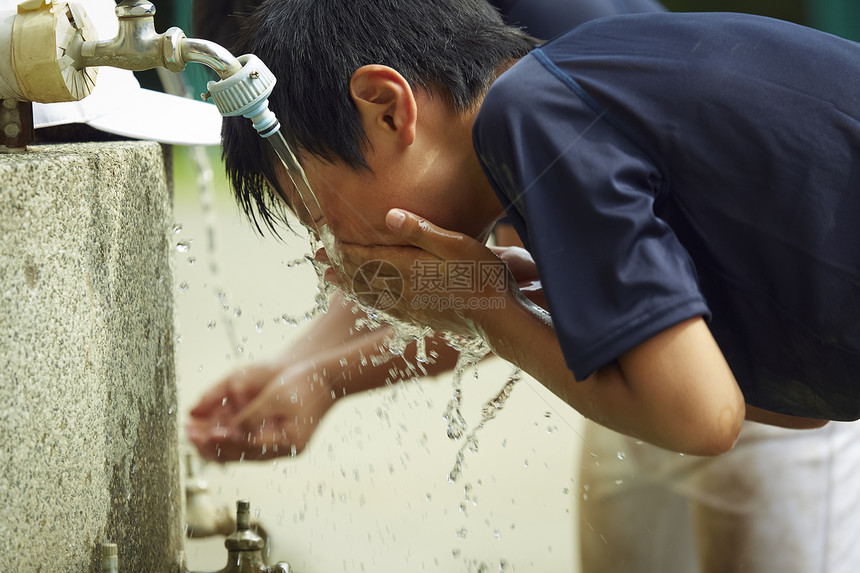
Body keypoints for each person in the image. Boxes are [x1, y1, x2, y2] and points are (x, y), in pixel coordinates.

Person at [187, 0, 860, 571]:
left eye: (313, 210)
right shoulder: (554, 93)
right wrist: (498, 299)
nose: (327, 243)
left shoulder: (531, 114)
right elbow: (790, 403)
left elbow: (705, 416)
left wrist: (486, 308)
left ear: (388, 108)